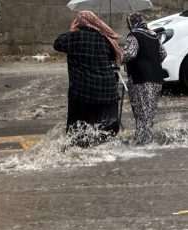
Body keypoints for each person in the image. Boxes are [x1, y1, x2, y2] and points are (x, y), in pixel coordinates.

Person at [54, 11, 123, 147]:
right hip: (106, 92)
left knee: (78, 129)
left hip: (83, 92)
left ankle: (79, 150)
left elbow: (57, 44)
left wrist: (71, 31)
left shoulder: (75, 37)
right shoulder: (105, 38)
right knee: (102, 129)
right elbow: (112, 57)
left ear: (79, 23)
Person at [122, 12, 167, 145]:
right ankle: (145, 139)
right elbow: (163, 54)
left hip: (141, 79)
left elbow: (130, 54)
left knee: (141, 112)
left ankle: (143, 142)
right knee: (149, 112)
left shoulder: (134, 35)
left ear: (131, 23)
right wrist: (151, 61)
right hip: (157, 79)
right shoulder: (153, 35)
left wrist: (118, 57)